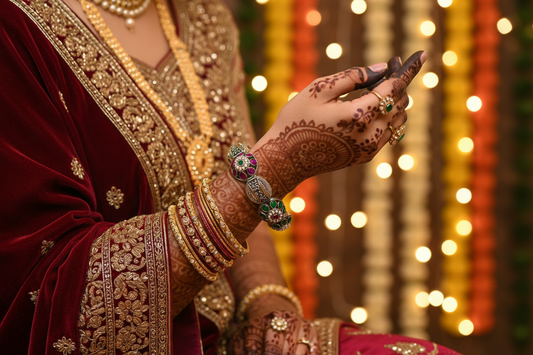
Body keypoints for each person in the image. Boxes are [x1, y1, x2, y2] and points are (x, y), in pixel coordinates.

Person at [0, 0, 459, 353]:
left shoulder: (204, 18)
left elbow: (236, 162)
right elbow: (48, 295)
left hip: (232, 335)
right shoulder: (15, 26)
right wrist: (281, 162)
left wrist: (269, 311)